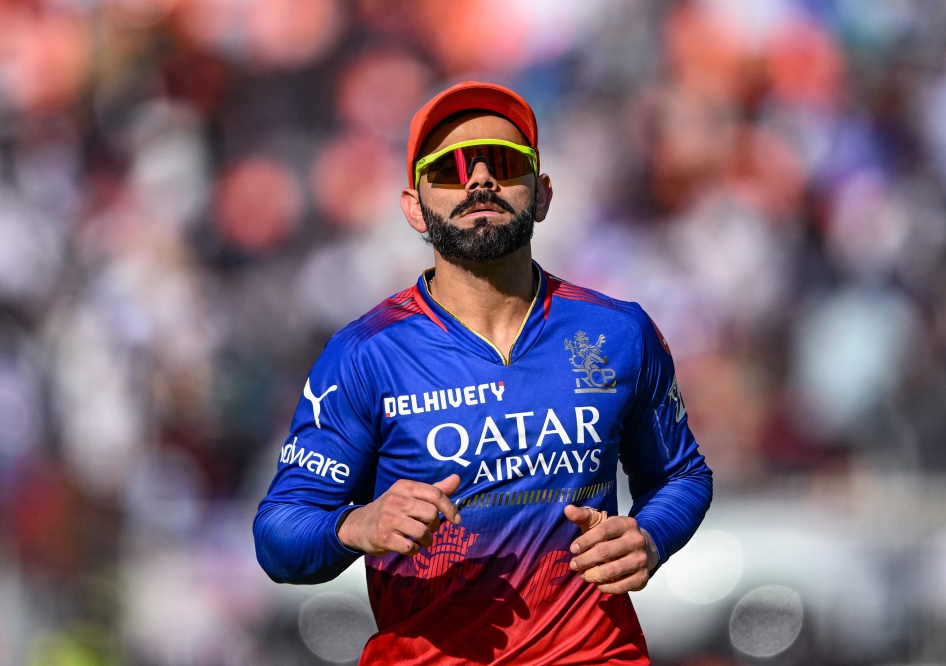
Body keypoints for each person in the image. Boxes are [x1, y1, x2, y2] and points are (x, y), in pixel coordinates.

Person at [253, 81, 713, 665]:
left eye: (502, 162)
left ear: (542, 195)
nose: (478, 179)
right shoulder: (365, 354)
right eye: (448, 169)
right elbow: (278, 535)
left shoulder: (619, 332)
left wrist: (651, 538)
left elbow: (681, 476)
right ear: (413, 206)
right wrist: (356, 525)